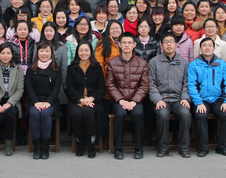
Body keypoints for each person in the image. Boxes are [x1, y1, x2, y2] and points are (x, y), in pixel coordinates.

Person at [106, 32, 150, 160]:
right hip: (119, 100)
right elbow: (110, 84)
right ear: (119, 44)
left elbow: (144, 85)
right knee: (120, 114)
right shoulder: (112, 62)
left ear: (134, 45)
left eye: (129, 43)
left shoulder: (142, 63)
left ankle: (139, 148)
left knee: (138, 114)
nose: (126, 45)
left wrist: (134, 101)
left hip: (135, 100)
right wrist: (120, 100)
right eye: (124, 42)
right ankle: (118, 148)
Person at [188, 37, 226, 157]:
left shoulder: (222, 65)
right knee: (200, 115)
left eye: (210, 45)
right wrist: (198, 102)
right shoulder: (194, 65)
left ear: (214, 48)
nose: (207, 48)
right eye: (204, 45)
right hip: (202, 99)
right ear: (200, 48)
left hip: (218, 99)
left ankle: (223, 147)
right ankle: (203, 147)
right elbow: (192, 86)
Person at [148, 32, 192, 157]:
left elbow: (187, 83)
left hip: (178, 99)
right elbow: (151, 84)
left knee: (185, 114)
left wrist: (185, 98)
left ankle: (184, 148)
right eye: (165, 42)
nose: (168, 44)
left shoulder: (184, 63)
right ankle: (163, 147)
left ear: (176, 44)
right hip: (162, 98)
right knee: (162, 114)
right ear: (161, 45)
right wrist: (158, 100)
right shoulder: (154, 62)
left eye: (171, 41)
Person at [66, 41, 104, 158]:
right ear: (77, 52)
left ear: (91, 52)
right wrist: (80, 99)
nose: (84, 53)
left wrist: (92, 98)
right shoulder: (71, 68)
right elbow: (70, 87)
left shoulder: (97, 67)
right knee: (76, 113)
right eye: (81, 50)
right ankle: (80, 142)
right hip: (77, 101)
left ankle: (91, 143)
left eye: (86, 50)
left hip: (93, 101)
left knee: (88, 111)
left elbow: (101, 88)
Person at [25, 41, 62, 160]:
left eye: (47, 51)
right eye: (41, 51)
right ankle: (37, 145)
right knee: (35, 113)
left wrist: (48, 102)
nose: (44, 54)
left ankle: (45, 146)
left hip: (50, 101)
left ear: (51, 53)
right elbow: (29, 87)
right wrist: (36, 102)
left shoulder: (56, 69)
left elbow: (56, 88)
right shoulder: (31, 69)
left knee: (45, 114)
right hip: (34, 101)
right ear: (37, 53)